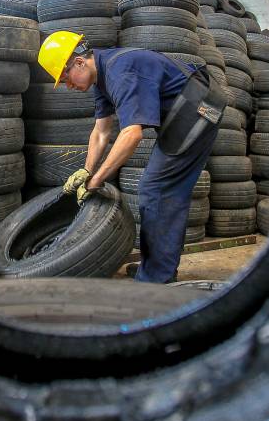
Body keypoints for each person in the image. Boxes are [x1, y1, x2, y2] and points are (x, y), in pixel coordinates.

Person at [37, 30, 228, 283]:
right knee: (159, 189)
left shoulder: (120, 72)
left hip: (199, 107)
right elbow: (101, 132)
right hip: (186, 106)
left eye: (65, 78)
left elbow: (132, 134)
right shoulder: (100, 77)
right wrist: (86, 171)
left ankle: (157, 276)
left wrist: (96, 181)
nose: (68, 86)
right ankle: (156, 267)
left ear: (80, 62)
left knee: (158, 189)